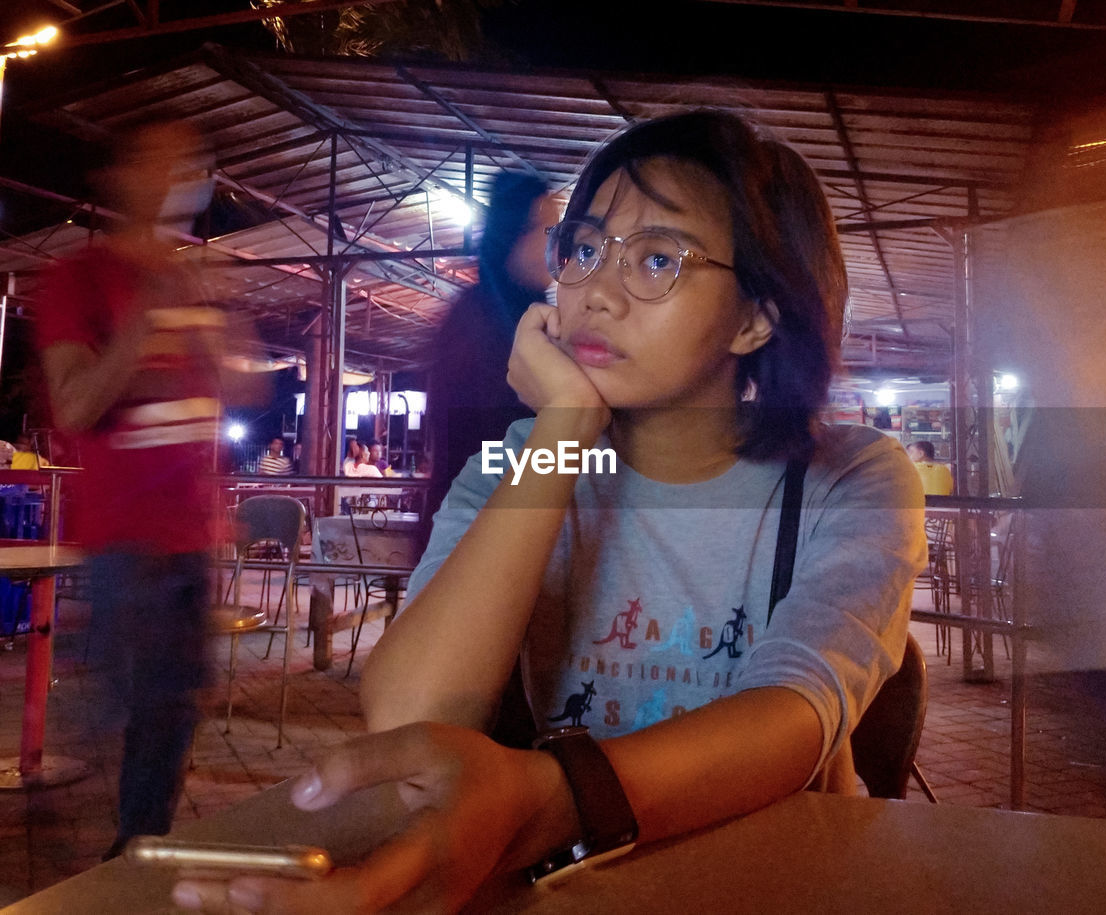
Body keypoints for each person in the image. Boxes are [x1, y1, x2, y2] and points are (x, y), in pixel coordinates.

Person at [172, 109, 925, 914]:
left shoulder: (851, 479)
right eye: (587, 248)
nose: (596, 291)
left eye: (659, 258)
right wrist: (565, 427)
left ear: (754, 317)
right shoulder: (521, 464)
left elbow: (796, 709)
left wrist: (544, 795)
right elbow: (413, 714)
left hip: (775, 882)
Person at [35, 120, 264, 860]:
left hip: (195, 531)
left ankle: (139, 842)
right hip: (125, 534)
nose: (182, 178)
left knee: (172, 700)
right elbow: (73, 405)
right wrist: (146, 318)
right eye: (162, 161)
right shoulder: (78, 279)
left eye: (194, 165)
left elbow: (244, 389)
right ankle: (128, 837)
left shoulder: (194, 277)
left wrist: (227, 339)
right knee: (140, 697)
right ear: (120, 178)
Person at [421, 171, 558, 538]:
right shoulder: (484, 323)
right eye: (548, 231)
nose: (557, 248)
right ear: (513, 234)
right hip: (483, 530)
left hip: (497, 525)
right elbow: (490, 445)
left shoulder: (522, 316)